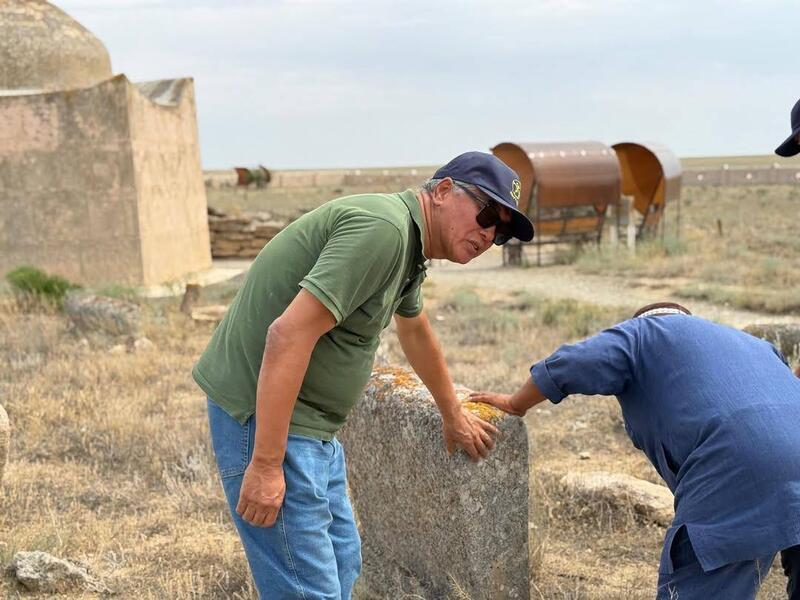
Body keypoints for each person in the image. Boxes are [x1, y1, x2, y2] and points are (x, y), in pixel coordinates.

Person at [192, 151, 534, 598]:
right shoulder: (384, 231)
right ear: (444, 191)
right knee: (310, 589)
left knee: (343, 562)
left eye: (501, 233)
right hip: (267, 421)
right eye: (486, 214)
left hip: (312, 430)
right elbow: (287, 336)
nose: (489, 235)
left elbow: (416, 331)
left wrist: (451, 412)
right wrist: (266, 464)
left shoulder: (409, 245)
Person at [471, 302, 800, 600]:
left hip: (736, 467)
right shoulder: (752, 343)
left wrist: (516, 403)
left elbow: (571, 363)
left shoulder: (641, 334)